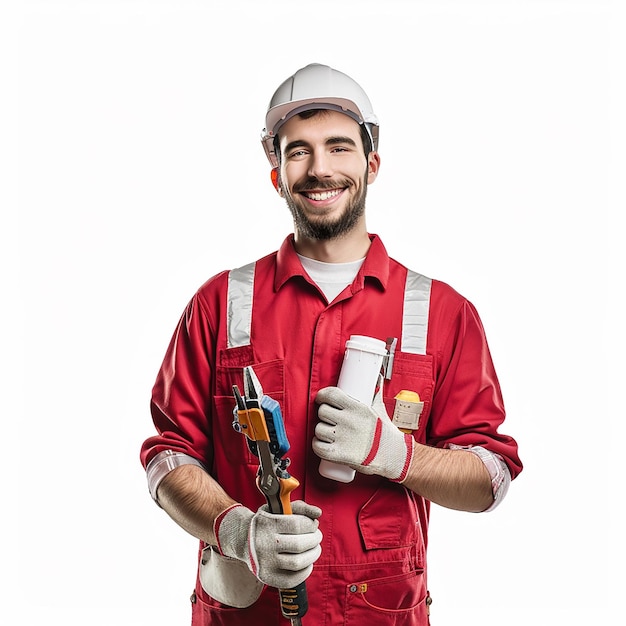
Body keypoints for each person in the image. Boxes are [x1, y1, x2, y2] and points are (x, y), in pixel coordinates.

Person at [140, 62, 523, 626]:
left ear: (371, 164)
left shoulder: (442, 313)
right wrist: (236, 529)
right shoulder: (220, 304)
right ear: (276, 173)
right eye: (298, 151)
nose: (320, 169)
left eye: (339, 147)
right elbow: (167, 457)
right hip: (245, 612)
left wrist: (394, 455)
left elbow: (490, 478)